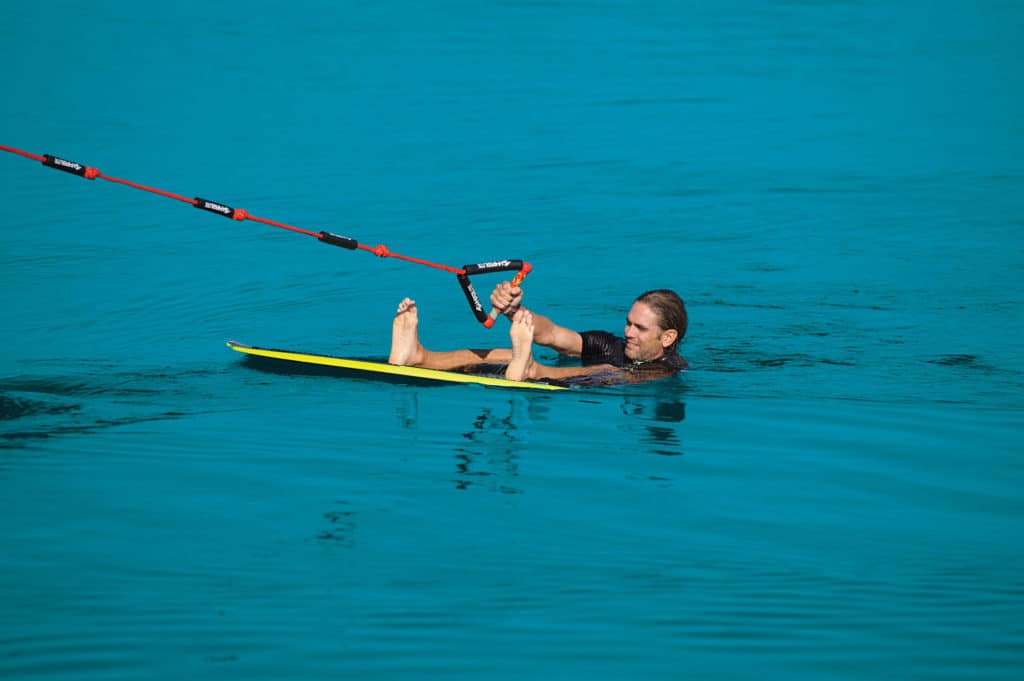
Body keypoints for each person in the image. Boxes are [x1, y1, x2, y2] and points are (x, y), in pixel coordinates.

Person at [388, 282, 688, 385]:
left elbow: (619, 376)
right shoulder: (613, 344)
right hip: (543, 370)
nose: (628, 332)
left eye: (639, 328)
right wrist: (513, 310)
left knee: (611, 371)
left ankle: (530, 367)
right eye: (628, 323)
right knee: (510, 353)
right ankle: (420, 355)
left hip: (596, 383)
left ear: (667, 338)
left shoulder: (666, 371)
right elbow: (553, 334)